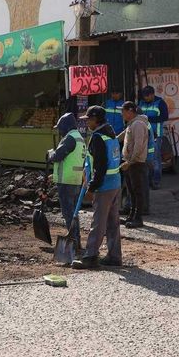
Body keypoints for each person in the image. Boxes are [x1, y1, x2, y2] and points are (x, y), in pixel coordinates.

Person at [72, 106, 123, 269]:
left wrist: (92, 187)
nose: (87, 123)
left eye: (89, 119)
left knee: (98, 223)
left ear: (96, 119)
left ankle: (90, 256)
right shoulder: (111, 133)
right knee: (112, 222)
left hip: (104, 185)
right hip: (115, 183)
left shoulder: (99, 137)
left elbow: (100, 167)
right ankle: (115, 256)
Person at [46, 110, 87, 253]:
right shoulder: (80, 138)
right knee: (73, 213)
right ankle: (76, 240)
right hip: (76, 180)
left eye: (60, 129)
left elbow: (58, 156)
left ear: (65, 126)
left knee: (69, 213)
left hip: (67, 181)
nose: (59, 132)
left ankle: (74, 243)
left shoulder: (70, 138)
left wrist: (51, 154)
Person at [119, 101, 150, 228]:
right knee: (131, 191)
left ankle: (138, 218)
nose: (122, 114)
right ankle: (132, 215)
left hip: (136, 163)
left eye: (123, 111)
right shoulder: (131, 124)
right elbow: (120, 137)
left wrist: (129, 162)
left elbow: (138, 146)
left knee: (137, 191)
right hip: (130, 162)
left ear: (130, 111)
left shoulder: (138, 124)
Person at [138, 85, 168, 189]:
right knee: (144, 159)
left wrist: (148, 119)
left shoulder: (160, 103)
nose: (146, 98)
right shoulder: (141, 103)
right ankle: (146, 181)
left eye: (147, 96)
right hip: (143, 135)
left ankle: (156, 181)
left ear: (152, 94)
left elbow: (164, 117)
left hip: (156, 135)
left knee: (155, 159)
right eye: (144, 96)